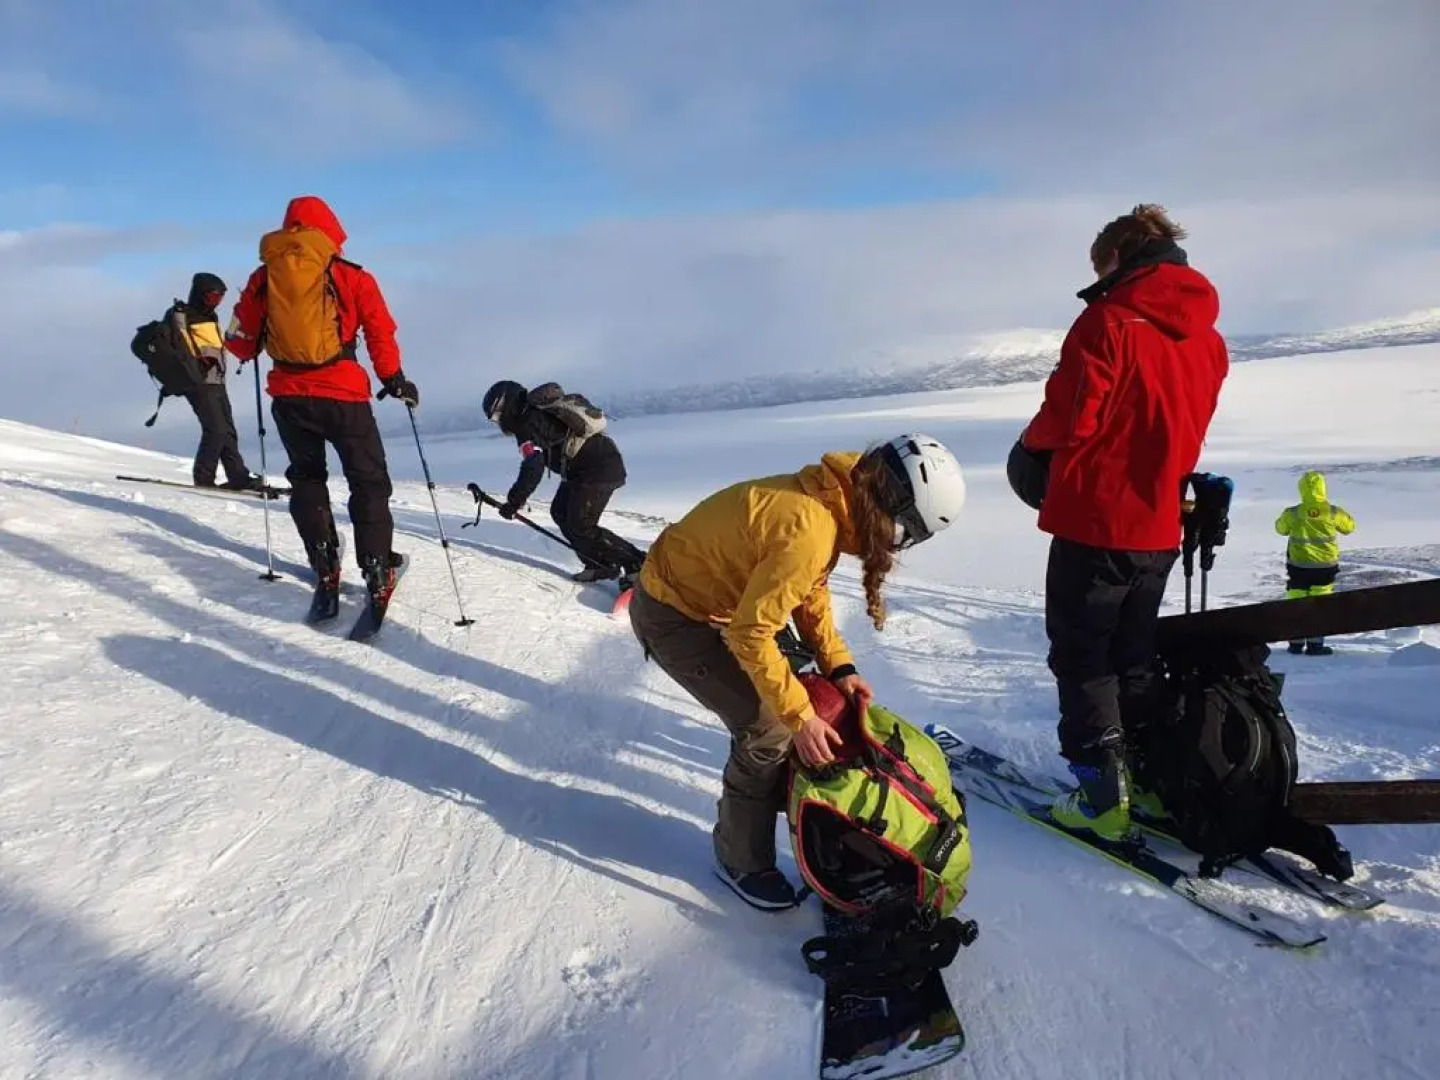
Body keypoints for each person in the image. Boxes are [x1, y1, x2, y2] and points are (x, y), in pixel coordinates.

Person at [627, 434, 966, 910]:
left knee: (807, 696)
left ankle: (801, 808)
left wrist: (839, 664)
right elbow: (752, 635)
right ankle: (739, 859)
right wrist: (798, 718)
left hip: (711, 605)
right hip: (674, 616)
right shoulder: (811, 528)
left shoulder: (832, 502)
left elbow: (809, 591)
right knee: (768, 729)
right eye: (904, 534)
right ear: (893, 512)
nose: (896, 545)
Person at [1015, 204, 1229, 842]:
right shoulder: (1208, 338)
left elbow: (1068, 415)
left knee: (1083, 660)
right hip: (1161, 522)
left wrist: (1030, 455)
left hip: (1096, 519)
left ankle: (1102, 800)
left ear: (1118, 258)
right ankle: (1154, 786)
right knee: (1133, 659)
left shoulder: (1106, 322)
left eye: (1099, 265)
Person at [224, 195, 417, 609]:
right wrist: (394, 379)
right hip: (344, 395)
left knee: (307, 479)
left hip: (290, 398)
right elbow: (380, 333)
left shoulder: (263, 278)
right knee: (367, 481)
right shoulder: (353, 276)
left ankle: (324, 561)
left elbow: (240, 346)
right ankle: (379, 567)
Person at [481, 380, 647, 586]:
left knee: (581, 524)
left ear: (508, 406)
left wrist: (514, 502)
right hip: (583, 469)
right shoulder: (530, 416)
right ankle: (599, 563)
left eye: (497, 415)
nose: (498, 422)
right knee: (560, 512)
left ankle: (637, 563)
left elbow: (533, 466)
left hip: (598, 469)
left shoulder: (526, 425)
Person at [172, 273, 264, 491]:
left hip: (216, 379)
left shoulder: (210, 316)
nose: (216, 302)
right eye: (212, 297)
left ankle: (237, 475)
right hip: (198, 381)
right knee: (215, 429)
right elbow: (180, 348)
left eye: (220, 298)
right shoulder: (181, 315)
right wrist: (196, 368)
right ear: (200, 294)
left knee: (227, 429)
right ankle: (204, 477)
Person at [1276, 471, 1356, 656]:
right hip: (1325, 566)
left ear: (1302, 489)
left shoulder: (1293, 513)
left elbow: (1280, 529)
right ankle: (1315, 644)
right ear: (1323, 489)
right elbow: (1349, 528)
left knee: (1296, 601)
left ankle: (1295, 644)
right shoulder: (1333, 512)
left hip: (1298, 566)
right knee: (1320, 604)